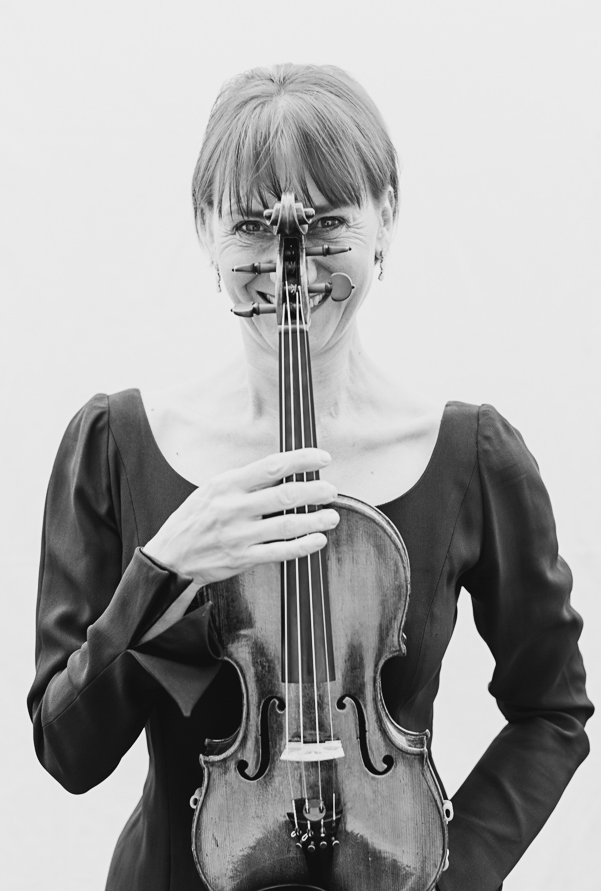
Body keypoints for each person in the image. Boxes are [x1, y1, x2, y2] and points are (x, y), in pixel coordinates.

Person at [28, 63, 592, 891]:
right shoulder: (115, 447)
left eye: (327, 224)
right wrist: (163, 569)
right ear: (203, 228)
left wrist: (445, 871)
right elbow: (66, 753)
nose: (290, 268)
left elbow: (552, 711)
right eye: (251, 228)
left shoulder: (471, 456)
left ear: (385, 217)